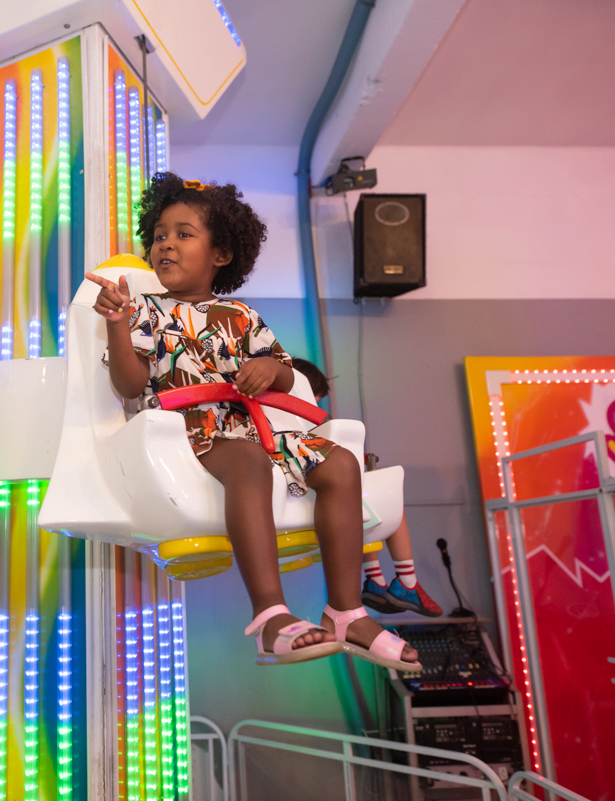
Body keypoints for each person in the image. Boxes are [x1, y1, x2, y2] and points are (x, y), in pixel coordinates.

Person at [89, 173, 420, 670]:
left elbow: (286, 374)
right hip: (186, 431)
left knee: (342, 464)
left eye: (183, 234)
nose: (165, 244)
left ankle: (346, 612)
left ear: (221, 254)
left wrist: (269, 369)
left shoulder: (242, 315)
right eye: (159, 235)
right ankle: (270, 616)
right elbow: (130, 385)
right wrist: (117, 326)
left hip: (255, 427)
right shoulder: (144, 312)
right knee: (248, 462)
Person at [291, 358, 443, 618]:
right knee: (388, 499)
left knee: (365, 498)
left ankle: (377, 580)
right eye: (315, 398)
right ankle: (406, 582)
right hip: (314, 498)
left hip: (304, 495)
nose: (317, 404)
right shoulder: (308, 422)